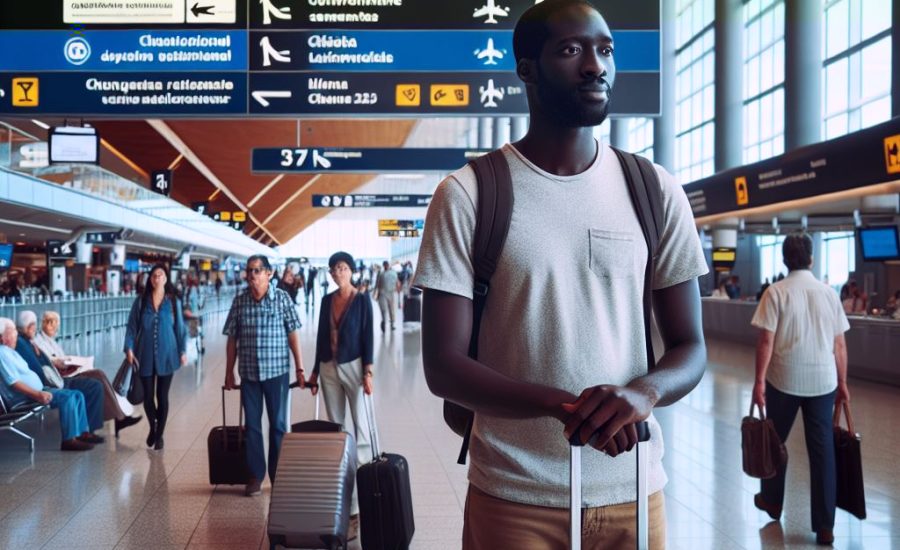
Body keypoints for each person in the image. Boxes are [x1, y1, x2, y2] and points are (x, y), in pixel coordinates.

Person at [414, 1, 708, 547]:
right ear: (526, 68)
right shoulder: (470, 194)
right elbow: (443, 366)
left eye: (605, 50)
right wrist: (563, 407)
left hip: (635, 491)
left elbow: (691, 347)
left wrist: (644, 392)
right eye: (572, 50)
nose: (596, 66)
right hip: (513, 494)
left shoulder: (654, 190)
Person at [750, 233, 850, 546]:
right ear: (811, 259)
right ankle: (825, 526)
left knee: (775, 442)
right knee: (823, 453)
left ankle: (773, 501)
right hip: (823, 381)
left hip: (784, 379)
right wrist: (843, 383)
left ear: (783, 260)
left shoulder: (775, 292)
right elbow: (840, 344)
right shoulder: (828, 293)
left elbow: (766, 340)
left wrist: (758, 381)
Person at [308, 251, 376, 541]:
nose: (340, 272)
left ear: (351, 271)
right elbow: (322, 336)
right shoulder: (326, 300)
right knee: (335, 431)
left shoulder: (361, 300)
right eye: (335, 268)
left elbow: (369, 335)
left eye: (344, 267)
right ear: (331, 273)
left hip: (354, 366)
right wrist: (314, 372)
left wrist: (369, 371)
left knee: (360, 432)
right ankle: (340, 504)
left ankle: (358, 509)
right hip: (328, 367)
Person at [223, 255, 305, 497]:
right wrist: (229, 371)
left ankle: (278, 476)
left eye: (257, 270)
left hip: (277, 372)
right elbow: (232, 340)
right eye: (250, 271)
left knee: (278, 425)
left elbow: (293, 334)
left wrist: (300, 368)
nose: (252, 275)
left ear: (269, 273)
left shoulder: (282, 299)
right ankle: (255, 475)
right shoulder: (240, 301)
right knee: (253, 426)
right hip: (249, 373)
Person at [32, 310, 142, 436]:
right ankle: (119, 418)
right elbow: (48, 362)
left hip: (67, 372)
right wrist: (60, 362)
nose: (53, 326)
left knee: (99, 375)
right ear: (43, 324)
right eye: (49, 322)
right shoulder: (39, 342)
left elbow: (60, 358)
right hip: (61, 377)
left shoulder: (51, 340)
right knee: (98, 376)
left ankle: (119, 417)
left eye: (55, 322)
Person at [0, 318, 96, 451]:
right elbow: (13, 382)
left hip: (36, 391)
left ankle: (82, 434)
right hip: (27, 396)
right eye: (13, 335)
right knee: (67, 398)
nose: (16, 337)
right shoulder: (2, 353)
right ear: (2, 338)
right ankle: (69, 440)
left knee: (77, 394)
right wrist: (37, 394)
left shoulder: (9, 352)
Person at [15, 311, 106, 444]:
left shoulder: (29, 342)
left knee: (95, 384)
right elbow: (39, 371)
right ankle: (84, 433)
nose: (35, 328)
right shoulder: (23, 344)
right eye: (33, 326)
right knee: (91, 387)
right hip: (51, 384)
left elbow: (43, 365)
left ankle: (86, 431)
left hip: (56, 379)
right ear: (28, 327)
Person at [125, 263, 187, 451]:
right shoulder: (141, 302)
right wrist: (128, 348)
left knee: (162, 396)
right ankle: (153, 427)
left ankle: (159, 436)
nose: (157, 278)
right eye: (154, 275)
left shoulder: (173, 302)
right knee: (148, 397)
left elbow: (180, 329)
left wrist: (182, 351)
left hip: (168, 354)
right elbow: (132, 327)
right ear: (150, 280)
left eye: (160, 275)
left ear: (166, 279)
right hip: (144, 354)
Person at [373, 261, 400, 332]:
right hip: (386, 293)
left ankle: (389, 323)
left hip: (387, 293)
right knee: (387, 309)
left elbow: (377, 285)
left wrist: (375, 294)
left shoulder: (383, 274)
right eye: (385, 265)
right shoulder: (391, 273)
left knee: (388, 309)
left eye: (386, 265)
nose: (386, 266)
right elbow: (397, 283)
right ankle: (386, 323)